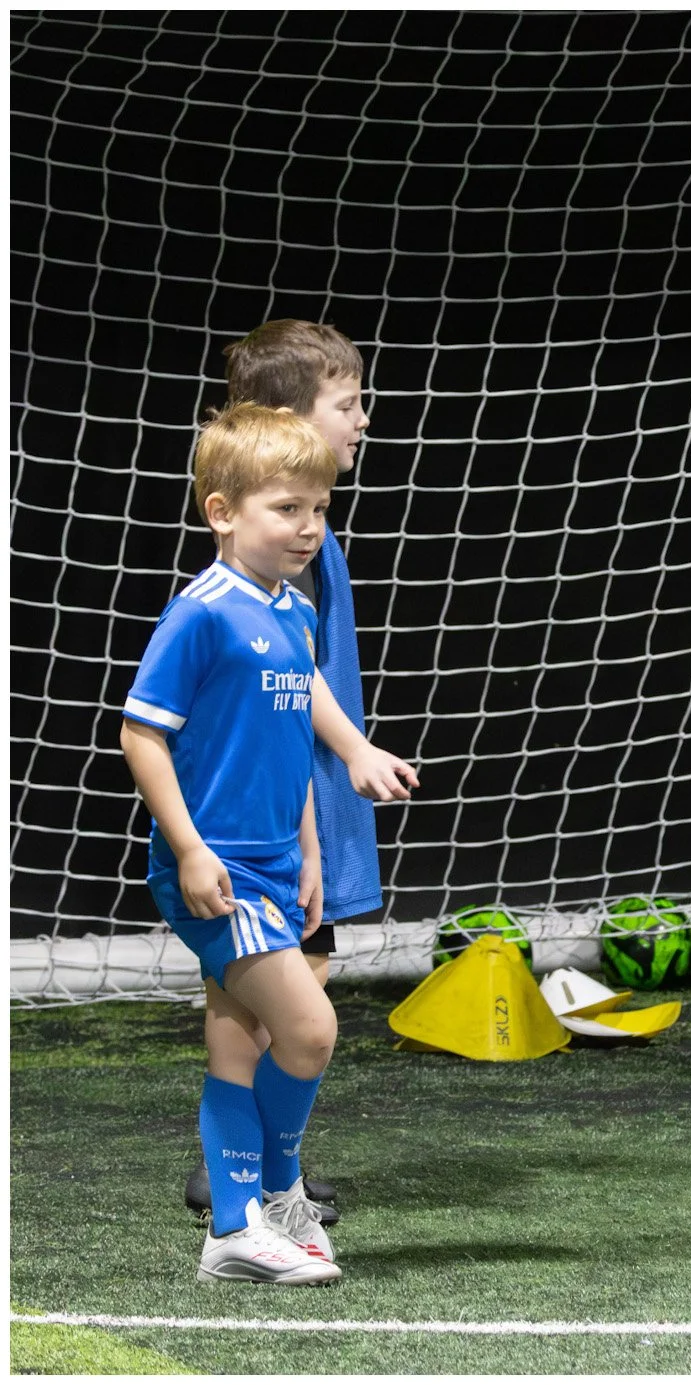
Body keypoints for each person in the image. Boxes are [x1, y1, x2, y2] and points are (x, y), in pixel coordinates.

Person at [183, 320, 418, 1224]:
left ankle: (248, 1166)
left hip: (315, 788)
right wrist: (349, 755)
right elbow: (291, 678)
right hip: (290, 789)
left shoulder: (311, 535)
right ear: (286, 420)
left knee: (277, 978)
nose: (362, 420)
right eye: (347, 404)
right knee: (281, 980)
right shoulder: (272, 551)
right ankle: (244, 1171)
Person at [122, 405, 354, 1283]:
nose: (308, 527)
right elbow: (141, 733)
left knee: (239, 1035)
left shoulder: (292, 612)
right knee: (311, 1030)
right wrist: (188, 849)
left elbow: (288, 742)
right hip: (214, 867)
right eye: (286, 509)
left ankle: (233, 1228)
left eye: (319, 509)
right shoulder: (202, 612)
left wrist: (310, 852)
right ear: (223, 512)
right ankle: (278, 1192)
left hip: (272, 863)